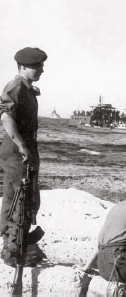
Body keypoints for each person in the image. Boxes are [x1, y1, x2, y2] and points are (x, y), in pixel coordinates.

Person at [0, 47, 48, 266]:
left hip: (25, 147)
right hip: (17, 147)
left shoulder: (27, 89)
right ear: (24, 66)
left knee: (23, 196)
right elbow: (6, 118)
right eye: (38, 66)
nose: (42, 70)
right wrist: (21, 146)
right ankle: (12, 248)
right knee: (19, 196)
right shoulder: (16, 86)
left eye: (41, 65)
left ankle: (18, 241)